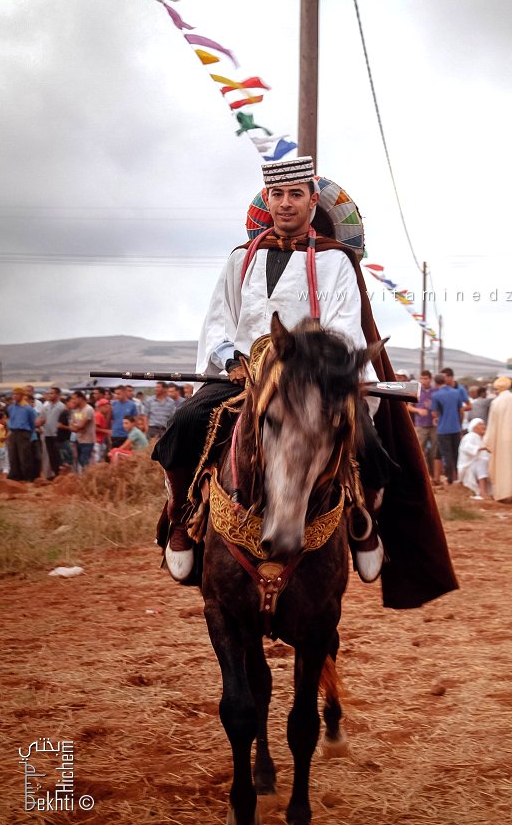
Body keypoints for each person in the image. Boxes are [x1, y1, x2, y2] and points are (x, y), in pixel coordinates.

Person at [152, 156, 457, 607]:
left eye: (296, 194)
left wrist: (316, 366)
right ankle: (183, 518)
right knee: (184, 424)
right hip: (244, 377)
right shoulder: (240, 260)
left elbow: (345, 327)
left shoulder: (337, 261)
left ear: (313, 201)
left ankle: (360, 519)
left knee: (370, 440)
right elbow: (218, 324)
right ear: (267, 200)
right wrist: (229, 359)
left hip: (314, 378)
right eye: (278, 195)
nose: (286, 204)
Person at [483, 376, 512, 502]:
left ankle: (506, 494)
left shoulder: (496, 402)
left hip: (503, 439)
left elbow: (492, 424)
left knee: (504, 466)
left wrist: (488, 442)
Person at [407, 370, 439, 482]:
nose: (423, 380)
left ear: (430, 379)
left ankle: (435, 477)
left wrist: (434, 407)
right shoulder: (417, 390)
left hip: (434, 425)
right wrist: (418, 410)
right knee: (419, 450)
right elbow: (409, 407)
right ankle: (422, 477)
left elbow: (441, 406)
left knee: (434, 452)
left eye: (426, 378)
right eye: (422, 378)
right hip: (420, 425)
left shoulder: (436, 391)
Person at [431, 373, 463, 484]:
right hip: (456, 427)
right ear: (445, 381)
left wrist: (435, 419)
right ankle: (457, 476)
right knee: (456, 453)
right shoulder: (456, 392)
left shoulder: (436, 395)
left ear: (435, 383)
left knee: (447, 454)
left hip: (443, 429)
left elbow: (435, 413)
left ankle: (450, 479)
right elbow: (460, 410)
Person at [6, 386, 36, 481]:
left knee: (24, 456)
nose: (14, 396)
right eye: (13, 394)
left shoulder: (28, 408)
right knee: (13, 455)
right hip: (13, 432)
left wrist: (29, 433)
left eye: (17, 394)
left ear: (22, 395)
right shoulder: (11, 407)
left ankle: (27, 477)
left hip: (23, 432)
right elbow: (11, 420)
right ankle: (15, 476)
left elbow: (32, 422)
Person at [457, 418, 490, 499]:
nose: (483, 426)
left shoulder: (481, 438)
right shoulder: (470, 436)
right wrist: (481, 448)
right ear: (474, 427)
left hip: (476, 466)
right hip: (468, 467)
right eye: (480, 424)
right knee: (481, 462)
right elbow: (466, 448)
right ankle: (482, 491)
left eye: (483, 424)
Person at [38, 386, 66, 479]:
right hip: (47, 434)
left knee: (58, 456)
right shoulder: (46, 406)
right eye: (49, 393)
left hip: (57, 435)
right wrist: (40, 422)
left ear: (58, 395)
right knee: (51, 456)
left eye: (52, 393)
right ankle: (54, 474)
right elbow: (42, 419)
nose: (50, 395)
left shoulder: (61, 407)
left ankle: (60, 475)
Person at [69, 391, 96, 470]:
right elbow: (71, 426)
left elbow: (81, 425)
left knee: (85, 462)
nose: (73, 401)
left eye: (74, 398)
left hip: (88, 441)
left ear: (80, 398)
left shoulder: (88, 409)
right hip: (78, 439)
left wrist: (76, 427)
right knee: (80, 461)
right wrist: (77, 428)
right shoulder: (76, 410)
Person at [0, 409, 9, 478]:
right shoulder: (1, 427)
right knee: (5, 465)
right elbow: (2, 439)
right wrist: (9, 434)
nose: (6, 420)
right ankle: (4, 481)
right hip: (1, 447)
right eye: (4, 418)